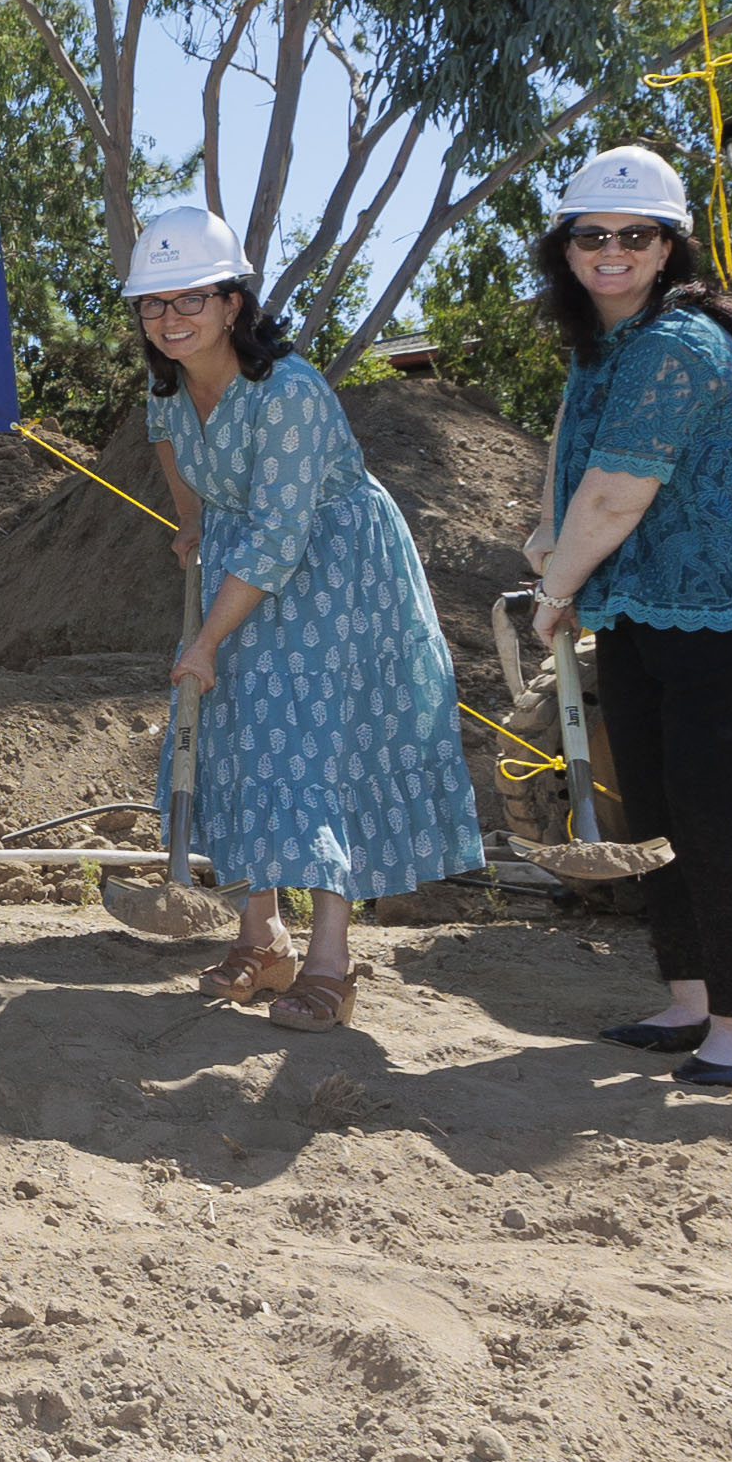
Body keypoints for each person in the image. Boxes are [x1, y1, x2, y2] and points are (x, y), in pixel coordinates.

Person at [527, 144, 732, 1088]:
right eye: (592, 236)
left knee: (716, 804)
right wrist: (548, 542)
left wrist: (553, 595)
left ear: (667, 248)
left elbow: (619, 494)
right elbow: (571, 460)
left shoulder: (674, 344)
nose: (611, 251)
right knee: (658, 804)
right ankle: (691, 997)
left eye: (634, 235)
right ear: (567, 248)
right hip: (653, 596)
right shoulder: (604, 344)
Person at [132, 204, 487, 1031]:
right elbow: (169, 448)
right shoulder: (167, 386)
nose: (169, 318)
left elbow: (284, 533)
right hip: (242, 555)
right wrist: (191, 522)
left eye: (189, 298)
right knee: (237, 734)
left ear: (231, 303)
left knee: (319, 743)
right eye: (153, 303)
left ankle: (331, 960)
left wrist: (206, 638)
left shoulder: (286, 390)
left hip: (334, 567)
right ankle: (264, 939)